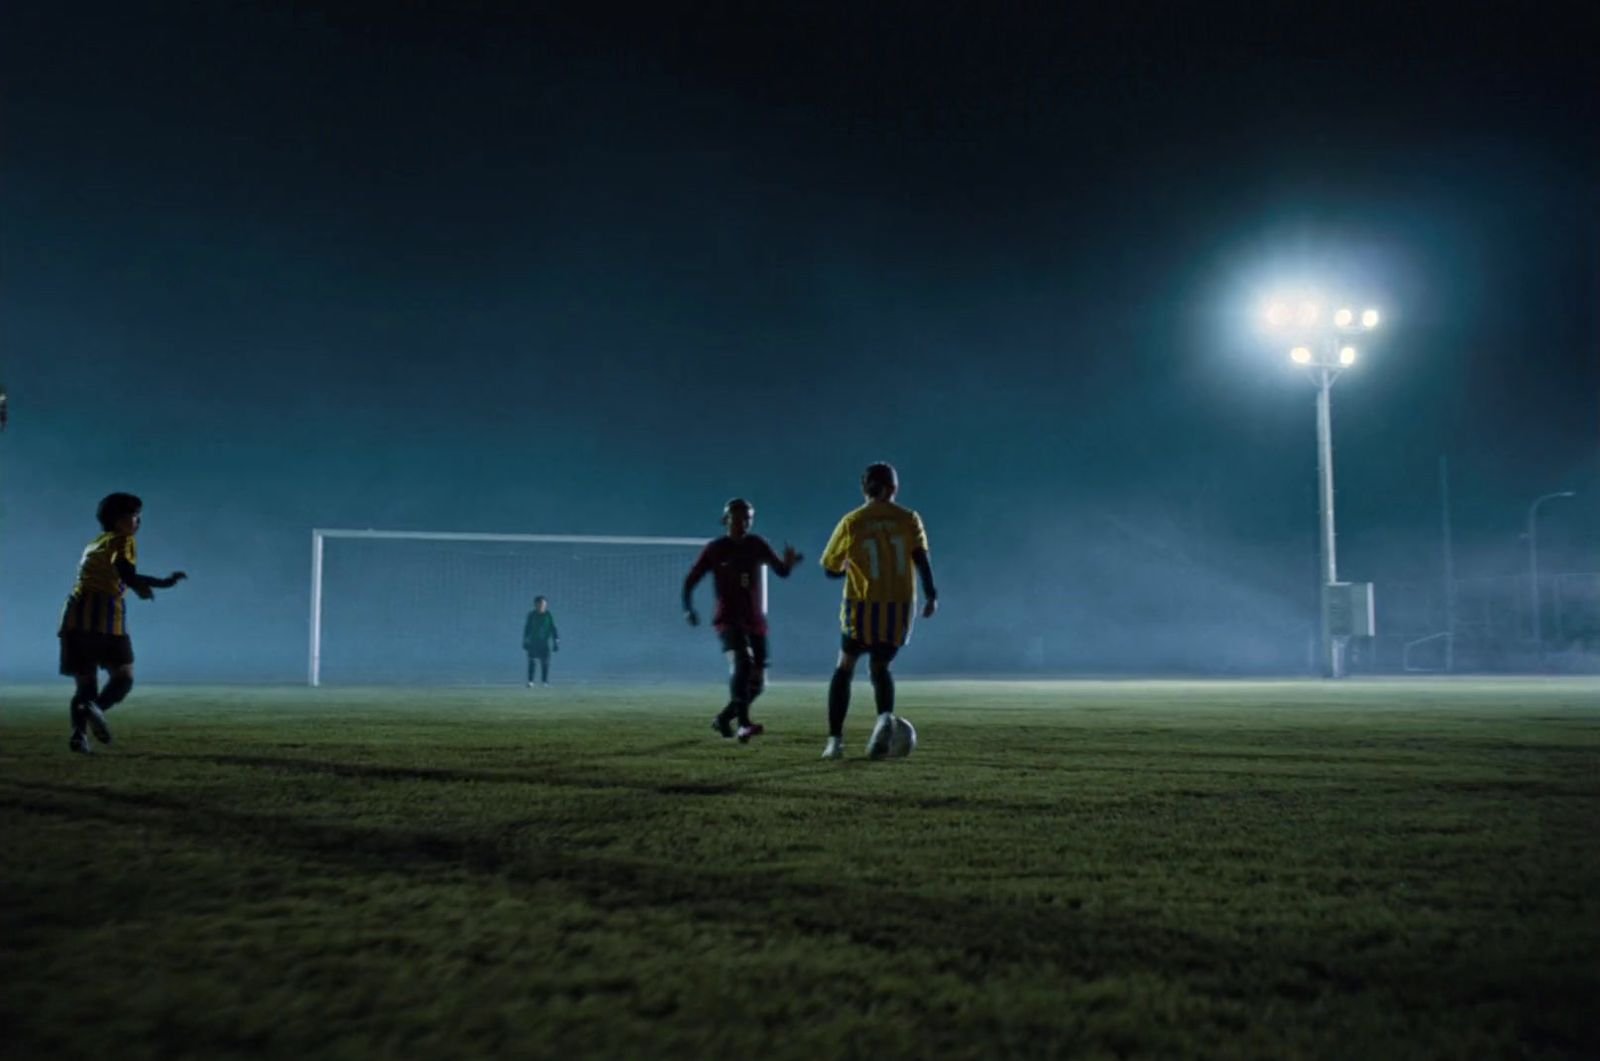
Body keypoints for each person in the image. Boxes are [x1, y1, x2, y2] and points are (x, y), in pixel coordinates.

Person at [818, 462, 937, 760]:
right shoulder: (909, 519)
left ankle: (835, 742)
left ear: (864, 489)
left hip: (862, 605)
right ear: (894, 489)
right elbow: (921, 559)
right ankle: (884, 719)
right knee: (880, 668)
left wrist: (845, 568)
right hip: (898, 609)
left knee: (845, 666)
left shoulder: (853, 521)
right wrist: (931, 595)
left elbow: (830, 567)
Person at [58, 492, 187, 754]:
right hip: (105, 616)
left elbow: (114, 572)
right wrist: (157, 584)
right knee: (124, 676)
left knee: (85, 684)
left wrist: (140, 584)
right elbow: (125, 571)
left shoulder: (94, 543)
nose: (138, 521)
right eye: (134, 515)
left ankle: (79, 736)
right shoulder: (123, 540)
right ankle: (96, 710)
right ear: (118, 519)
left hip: (75, 616)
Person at [682, 498, 801, 742]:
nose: (744, 523)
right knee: (742, 661)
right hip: (728, 619)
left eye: (748, 518)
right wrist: (688, 608)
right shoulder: (716, 548)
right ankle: (744, 725)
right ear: (727, 519)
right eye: (739, 518)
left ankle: (724, 718)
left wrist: (788, 564)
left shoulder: (757, 544)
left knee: (758, 684)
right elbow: (690, 580)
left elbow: (781, 571)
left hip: (755, 620)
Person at [522, 595, 560, 686]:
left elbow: (553, 628)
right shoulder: (531, 615)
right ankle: (530, 681)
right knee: (532, 662)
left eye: (544, 604)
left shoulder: (548, 615)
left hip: (544, 643)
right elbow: (527, 629)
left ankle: (544, 681)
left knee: (545, 663)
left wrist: (556, 640)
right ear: (535, 605)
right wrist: (525, 641)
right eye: (539, 604)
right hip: (533, 643)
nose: (542, 606)